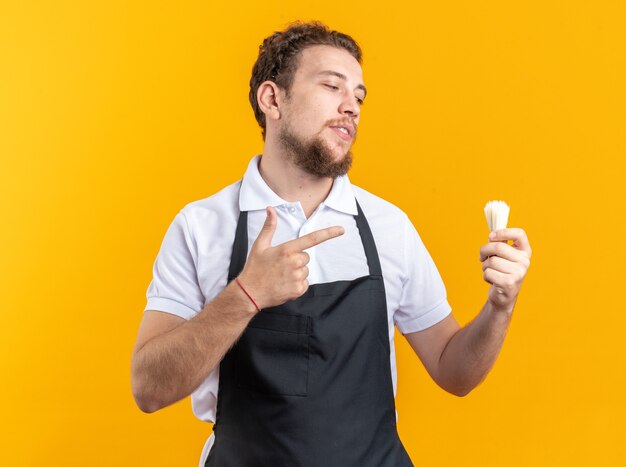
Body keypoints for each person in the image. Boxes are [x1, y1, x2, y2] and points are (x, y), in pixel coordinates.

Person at [131, 21, 532, 467]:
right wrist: (245, 295)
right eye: (331, 86)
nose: (352, 107)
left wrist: (500, 306)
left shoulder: (388, 226)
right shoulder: (202, 227)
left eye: (359, 96)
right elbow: (148, 388)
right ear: (272, 99)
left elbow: (454, 371)